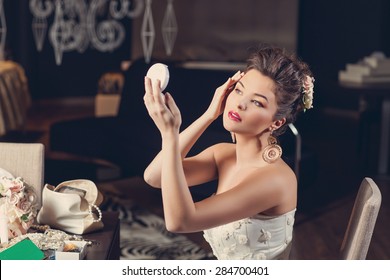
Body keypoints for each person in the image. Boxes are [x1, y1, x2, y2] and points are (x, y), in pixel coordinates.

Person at [143, 45, 314, 260]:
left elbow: (180, 221)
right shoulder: (223, 154)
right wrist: (208, 115)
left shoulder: (277, 179)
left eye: (257, 102)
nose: (240, 104)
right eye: (239, 90)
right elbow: (154, 176)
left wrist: (170, 134)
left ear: (276, 122)